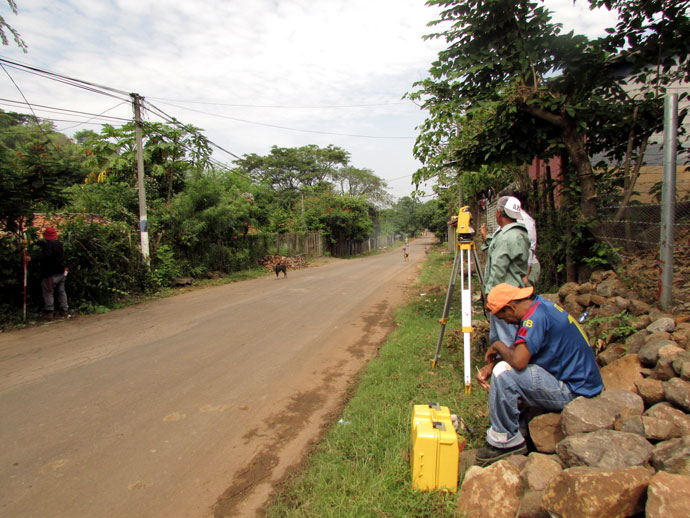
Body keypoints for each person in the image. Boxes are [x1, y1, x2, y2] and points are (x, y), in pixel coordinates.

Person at [474, 283, 603, 466]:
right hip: (581, 382)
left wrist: (497, 346)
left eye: (502, 317)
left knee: (505, 374)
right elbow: (523, 347)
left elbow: (518, 361)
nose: (507, 322)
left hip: (575, 391)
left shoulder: (533, 319)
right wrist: (492, 364)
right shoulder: (540, 306)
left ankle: (506, 441)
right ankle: (520, 431)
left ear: (511, 307)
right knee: (503, 368)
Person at [479, 196, 530, 348]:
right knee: (511, 335)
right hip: (516, 291)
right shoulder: (520, 233)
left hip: (504, 296)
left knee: (505, 338)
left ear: (499, 213)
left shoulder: (506, 237)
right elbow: (504, 249)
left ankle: (507, 368)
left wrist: (490, 295)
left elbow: (498, 270)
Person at [32, 227, 69, 319]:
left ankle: (49, 312)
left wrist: (32, 258)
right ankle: (64, 310)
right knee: (61, 291)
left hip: (51, 273)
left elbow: (46, 255)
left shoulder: (49, 245)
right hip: (61, 271)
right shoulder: (58, 243)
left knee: (48, 290)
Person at [512, 191, 540, 286]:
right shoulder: (510, 219)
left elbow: (530, 248)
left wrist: (526, 275)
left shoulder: (525, 220)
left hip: (525, 269)